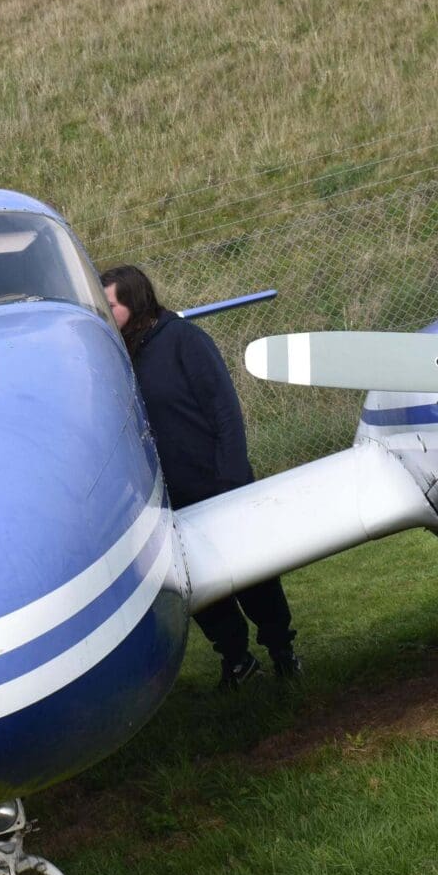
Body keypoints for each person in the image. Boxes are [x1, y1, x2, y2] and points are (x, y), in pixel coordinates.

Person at [100, 264, 300, 687]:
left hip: (218, 485)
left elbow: (225, 411)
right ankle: (237, 660)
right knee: (203, 589)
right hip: (172, 499)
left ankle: (283, 650)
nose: (105, 312)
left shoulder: (184, 341)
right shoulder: (122, 356)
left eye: (111, 304)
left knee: (254, 577)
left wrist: (230, 479)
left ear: (134, 303)